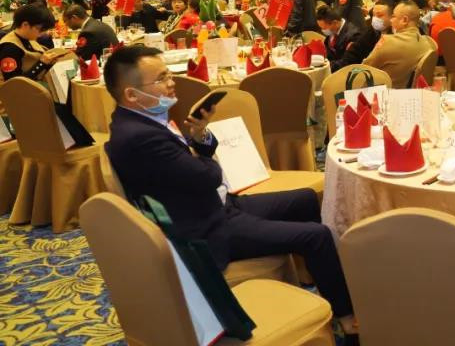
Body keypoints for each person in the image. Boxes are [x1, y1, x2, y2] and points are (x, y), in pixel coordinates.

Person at [102, 45, 358, 341]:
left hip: (213, 205)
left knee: (305, 199)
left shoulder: (137, 122)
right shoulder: (140, 138)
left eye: (169, 74)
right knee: (317, 235)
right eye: (161, 78)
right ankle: (347, 318)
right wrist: (206, 161)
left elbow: (193, 167)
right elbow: (209, 176)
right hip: (206, 229)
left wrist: (200, 136)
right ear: (132, 94)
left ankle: (317, 276)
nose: (171, 82)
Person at [363, 1, 429, 88]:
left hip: (383, 93)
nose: (391, 20)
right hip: (413, 93)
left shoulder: (387, 41)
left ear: (404, 20)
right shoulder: (428, 43)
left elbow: (364, 69)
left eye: (393, 16)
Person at [0, 5, 62, 81]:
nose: (43, 33)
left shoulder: (27, 37)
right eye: (40, 29)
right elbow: (14, 83)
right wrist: (41, 63)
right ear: (25, 25)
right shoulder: (10, 48)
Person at [315, 6, 365, 71]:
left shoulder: (353, 35)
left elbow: (347, 62)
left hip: (346, 71)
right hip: (332, 68)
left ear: (335, 23)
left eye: (324, 28)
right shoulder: (333, 31)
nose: (323, 30)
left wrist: (326, 66)